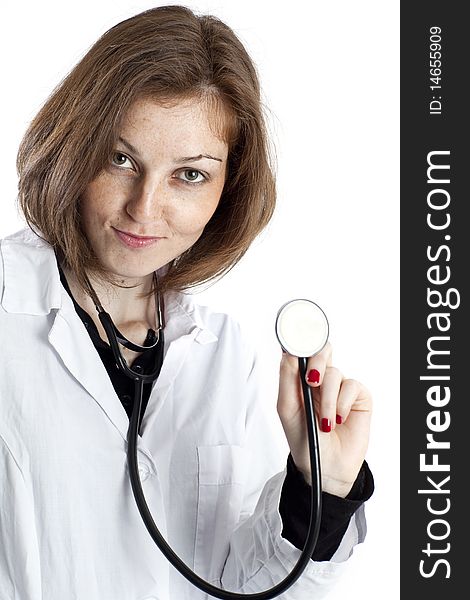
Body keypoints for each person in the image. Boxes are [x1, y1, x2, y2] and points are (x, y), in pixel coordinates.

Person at [0, 5, 373, 599]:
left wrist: (317, 484)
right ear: (73, 146)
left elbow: (242, 584)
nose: (144, 208)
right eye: (121, 160)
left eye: (190, 175)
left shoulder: (223, 355)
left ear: (231, 186)